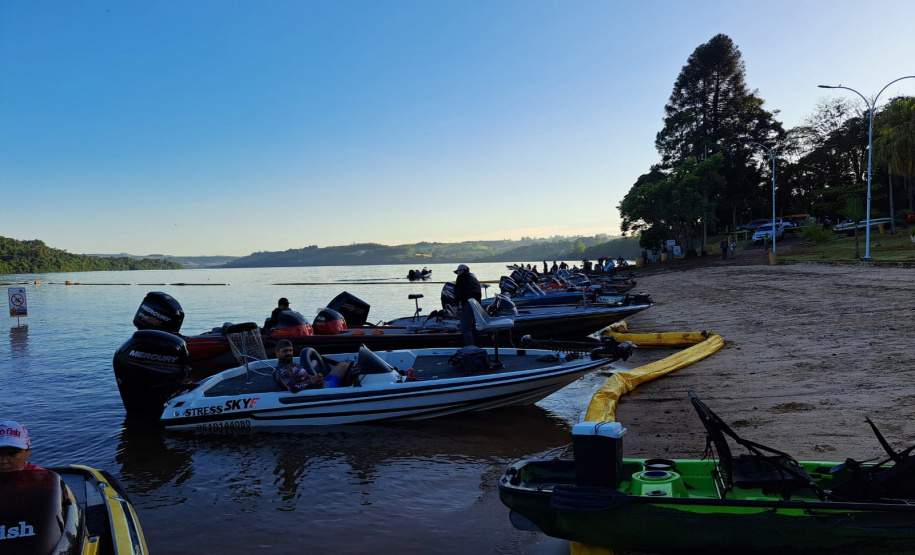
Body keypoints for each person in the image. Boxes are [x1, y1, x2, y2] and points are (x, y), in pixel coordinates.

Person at [272, 339, 348, 392]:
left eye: (290, 350)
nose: (288, 353)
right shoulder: (283, 371)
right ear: (277, 353)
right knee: (349, 378)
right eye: (285, 351)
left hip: (322, 383)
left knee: (343, 365)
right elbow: (293, 388)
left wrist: (317, 378)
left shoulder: (292, 364)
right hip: (322, 390)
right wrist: (311, 382)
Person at [453, 264, 482, 346]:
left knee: (465, 328)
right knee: (473, 327)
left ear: (462, 270)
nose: (458, 274)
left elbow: (458, 291)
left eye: (458, 271)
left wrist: (455, 305)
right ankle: (477, 345)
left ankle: (470, 348)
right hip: (477, 304)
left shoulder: (461, 277)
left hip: (468, 303)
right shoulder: (473, 277)